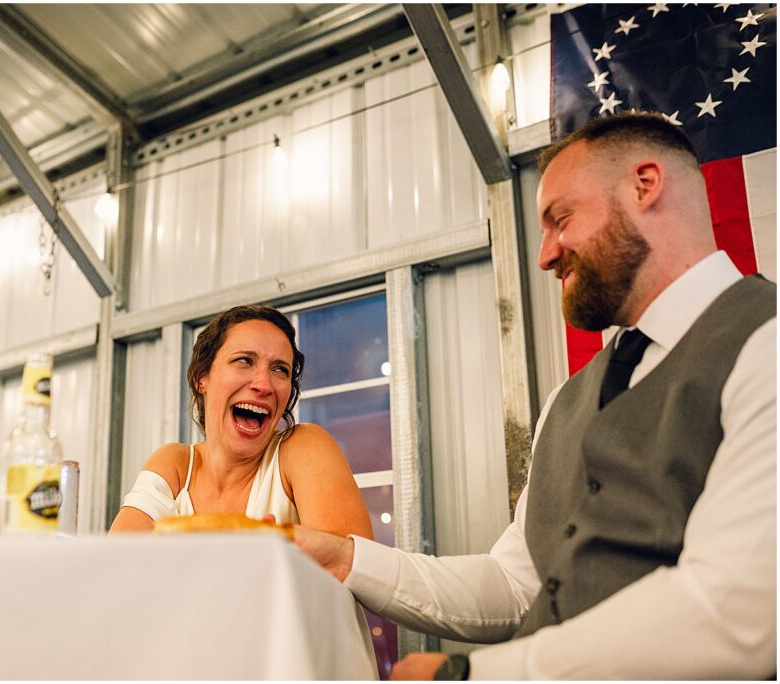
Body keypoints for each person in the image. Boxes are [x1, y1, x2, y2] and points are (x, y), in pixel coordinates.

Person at [294, 111, 776, 679]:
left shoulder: (766, 343)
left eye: (561, 218)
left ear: (645, 185)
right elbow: (517, 584)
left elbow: (739, 612)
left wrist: (472, 675)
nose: (546, 253)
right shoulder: (567, 402)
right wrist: (348, 558)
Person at [110, 304, 373, 539]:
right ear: (201, 378)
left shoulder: (303, 447)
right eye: (245, 361)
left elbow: (347, 579)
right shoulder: (176, 465)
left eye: (280, 369)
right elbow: (117, 566)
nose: (264, 384)